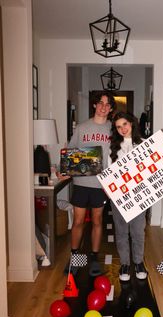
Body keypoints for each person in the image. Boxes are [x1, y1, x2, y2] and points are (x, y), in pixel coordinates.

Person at [65, 91, 116, 276]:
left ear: (111, 109)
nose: (103, 107)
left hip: (101, 185)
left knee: (97, 220)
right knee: (78, 221)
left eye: (107, 104)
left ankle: (94, 258)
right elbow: (70, 151)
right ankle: (75, 258)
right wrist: (64, 170)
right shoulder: (82, 127)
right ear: (95, 105)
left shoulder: (113, 129)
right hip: (81, 182)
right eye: (100, 103)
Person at [108, 111, 147, 281]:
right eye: (118, 127)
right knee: (122, 232)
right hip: (119, 198)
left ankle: (138, 262)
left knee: (138, 231)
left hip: (139, 197)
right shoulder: (112, 148)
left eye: (124, 124)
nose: (122, 129)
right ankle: (124, 264)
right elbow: (109, 173)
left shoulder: (145, 144)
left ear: (132, 123)